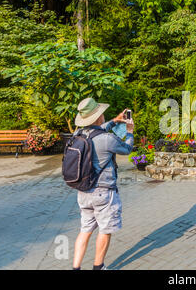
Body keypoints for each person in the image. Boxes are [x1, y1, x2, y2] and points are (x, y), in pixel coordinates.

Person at [72, 98, 134, 270]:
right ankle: (98, 267)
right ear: (99, 117)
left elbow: (96, 131)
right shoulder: (107, 139)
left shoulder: (77, 135)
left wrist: (115, 120)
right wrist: (129, 132)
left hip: (83, 191)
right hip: (103, 194)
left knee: (85, 230)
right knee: (105, 230)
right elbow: (127, 149)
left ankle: (75, 267)